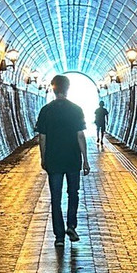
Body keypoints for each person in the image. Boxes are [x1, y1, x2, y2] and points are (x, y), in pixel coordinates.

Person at [35, 74, 90, 248]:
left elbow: (42, 138)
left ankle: (59, 236)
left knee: (56, 197)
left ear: (53, 88)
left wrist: (44, 158)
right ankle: (71, 226)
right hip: (73, 159)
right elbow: (80, 135)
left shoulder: (46, 110)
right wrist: (85, 160)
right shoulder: (76, 109)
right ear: (67, 89)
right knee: (73, 193)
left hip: (54, 160)